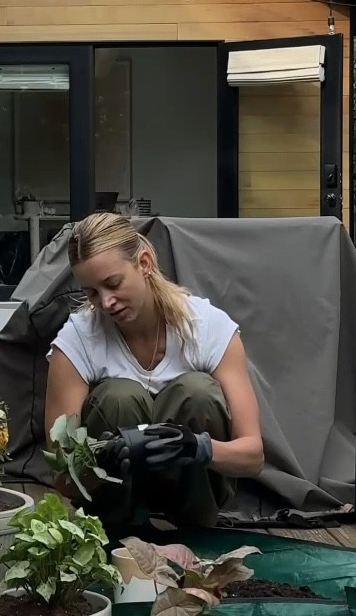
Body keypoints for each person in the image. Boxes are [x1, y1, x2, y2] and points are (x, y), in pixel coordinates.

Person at [45, 212, 264, 533]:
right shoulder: (78, 338)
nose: (105, 302)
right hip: (112, 505)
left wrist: (198, 447)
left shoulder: (207, 326)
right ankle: (119, 529)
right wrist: (98, 462)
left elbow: (253, 456)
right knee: (120, 396)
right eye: (91, 292)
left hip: (194, 500)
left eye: (113, 283)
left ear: (144, 263)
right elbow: (61, 472)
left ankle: (194, 529)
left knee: (197, 392)